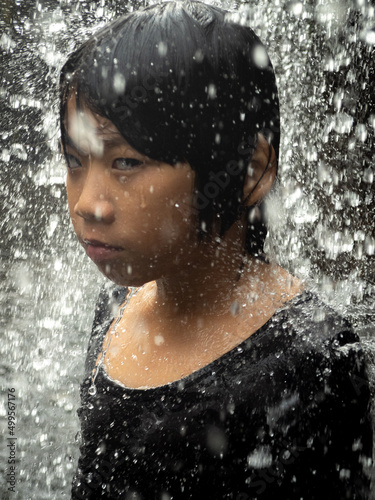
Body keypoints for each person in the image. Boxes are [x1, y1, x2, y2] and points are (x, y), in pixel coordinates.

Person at [59, 2, 373, 498]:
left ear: (249, 171)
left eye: (125, 161)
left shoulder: (309, 362)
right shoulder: (119, 308)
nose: (87, 204)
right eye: (75, 161)